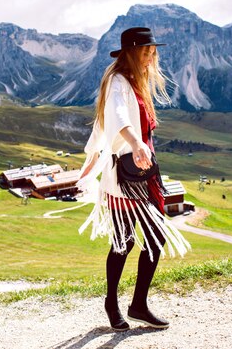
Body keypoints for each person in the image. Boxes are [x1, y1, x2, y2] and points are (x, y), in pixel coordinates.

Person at [77, 27, 191, 331]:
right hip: (124, 177)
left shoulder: (137, 82)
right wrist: (135, 142)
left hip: (145, 171)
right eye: (145, 51)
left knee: (156, 236)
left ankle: (138, 304)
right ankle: (111, 302)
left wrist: (143, 147)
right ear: (130, 51)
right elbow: (116, 117)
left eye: (152, 52)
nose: (150, 57)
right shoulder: (117, 81)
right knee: (123, 243)